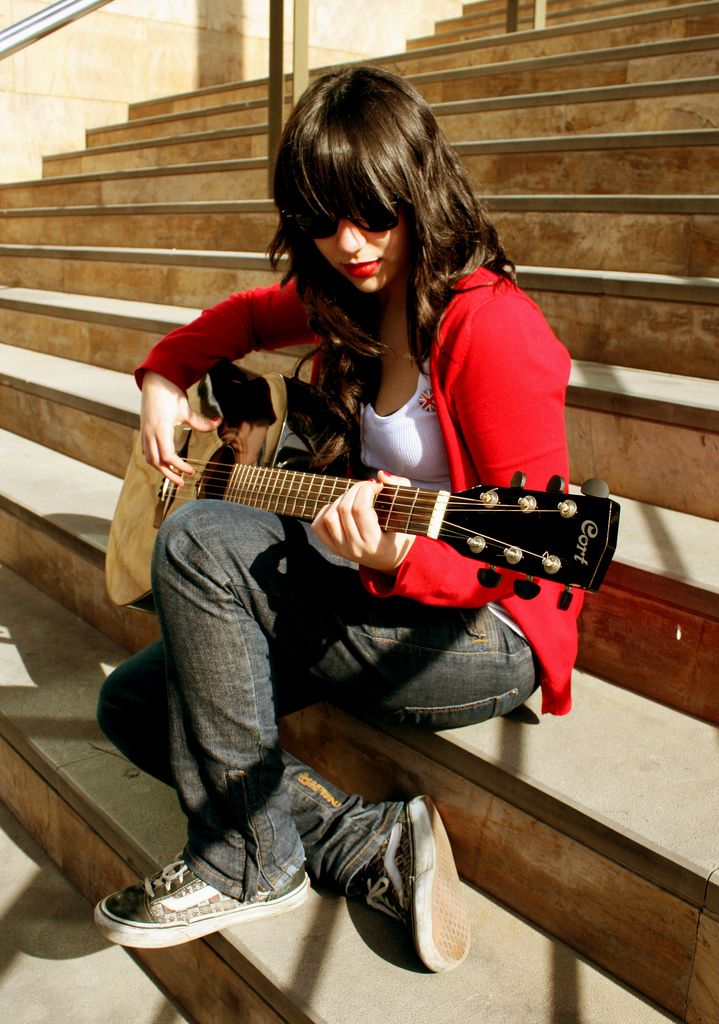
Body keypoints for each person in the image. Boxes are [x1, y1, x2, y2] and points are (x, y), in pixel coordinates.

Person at [94, 64, 580, 974]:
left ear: (417, 190)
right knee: (133, 703)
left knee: (198, 540)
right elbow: (244, 316)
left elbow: (533, 560)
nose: (349, 243)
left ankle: (246, 862)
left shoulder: (492, 327)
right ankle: (364, 840)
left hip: (484, 632)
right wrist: (164, 375)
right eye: (322, 221)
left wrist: (403, 557)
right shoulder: (351, 297)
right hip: (372, 585)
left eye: (372, 214)